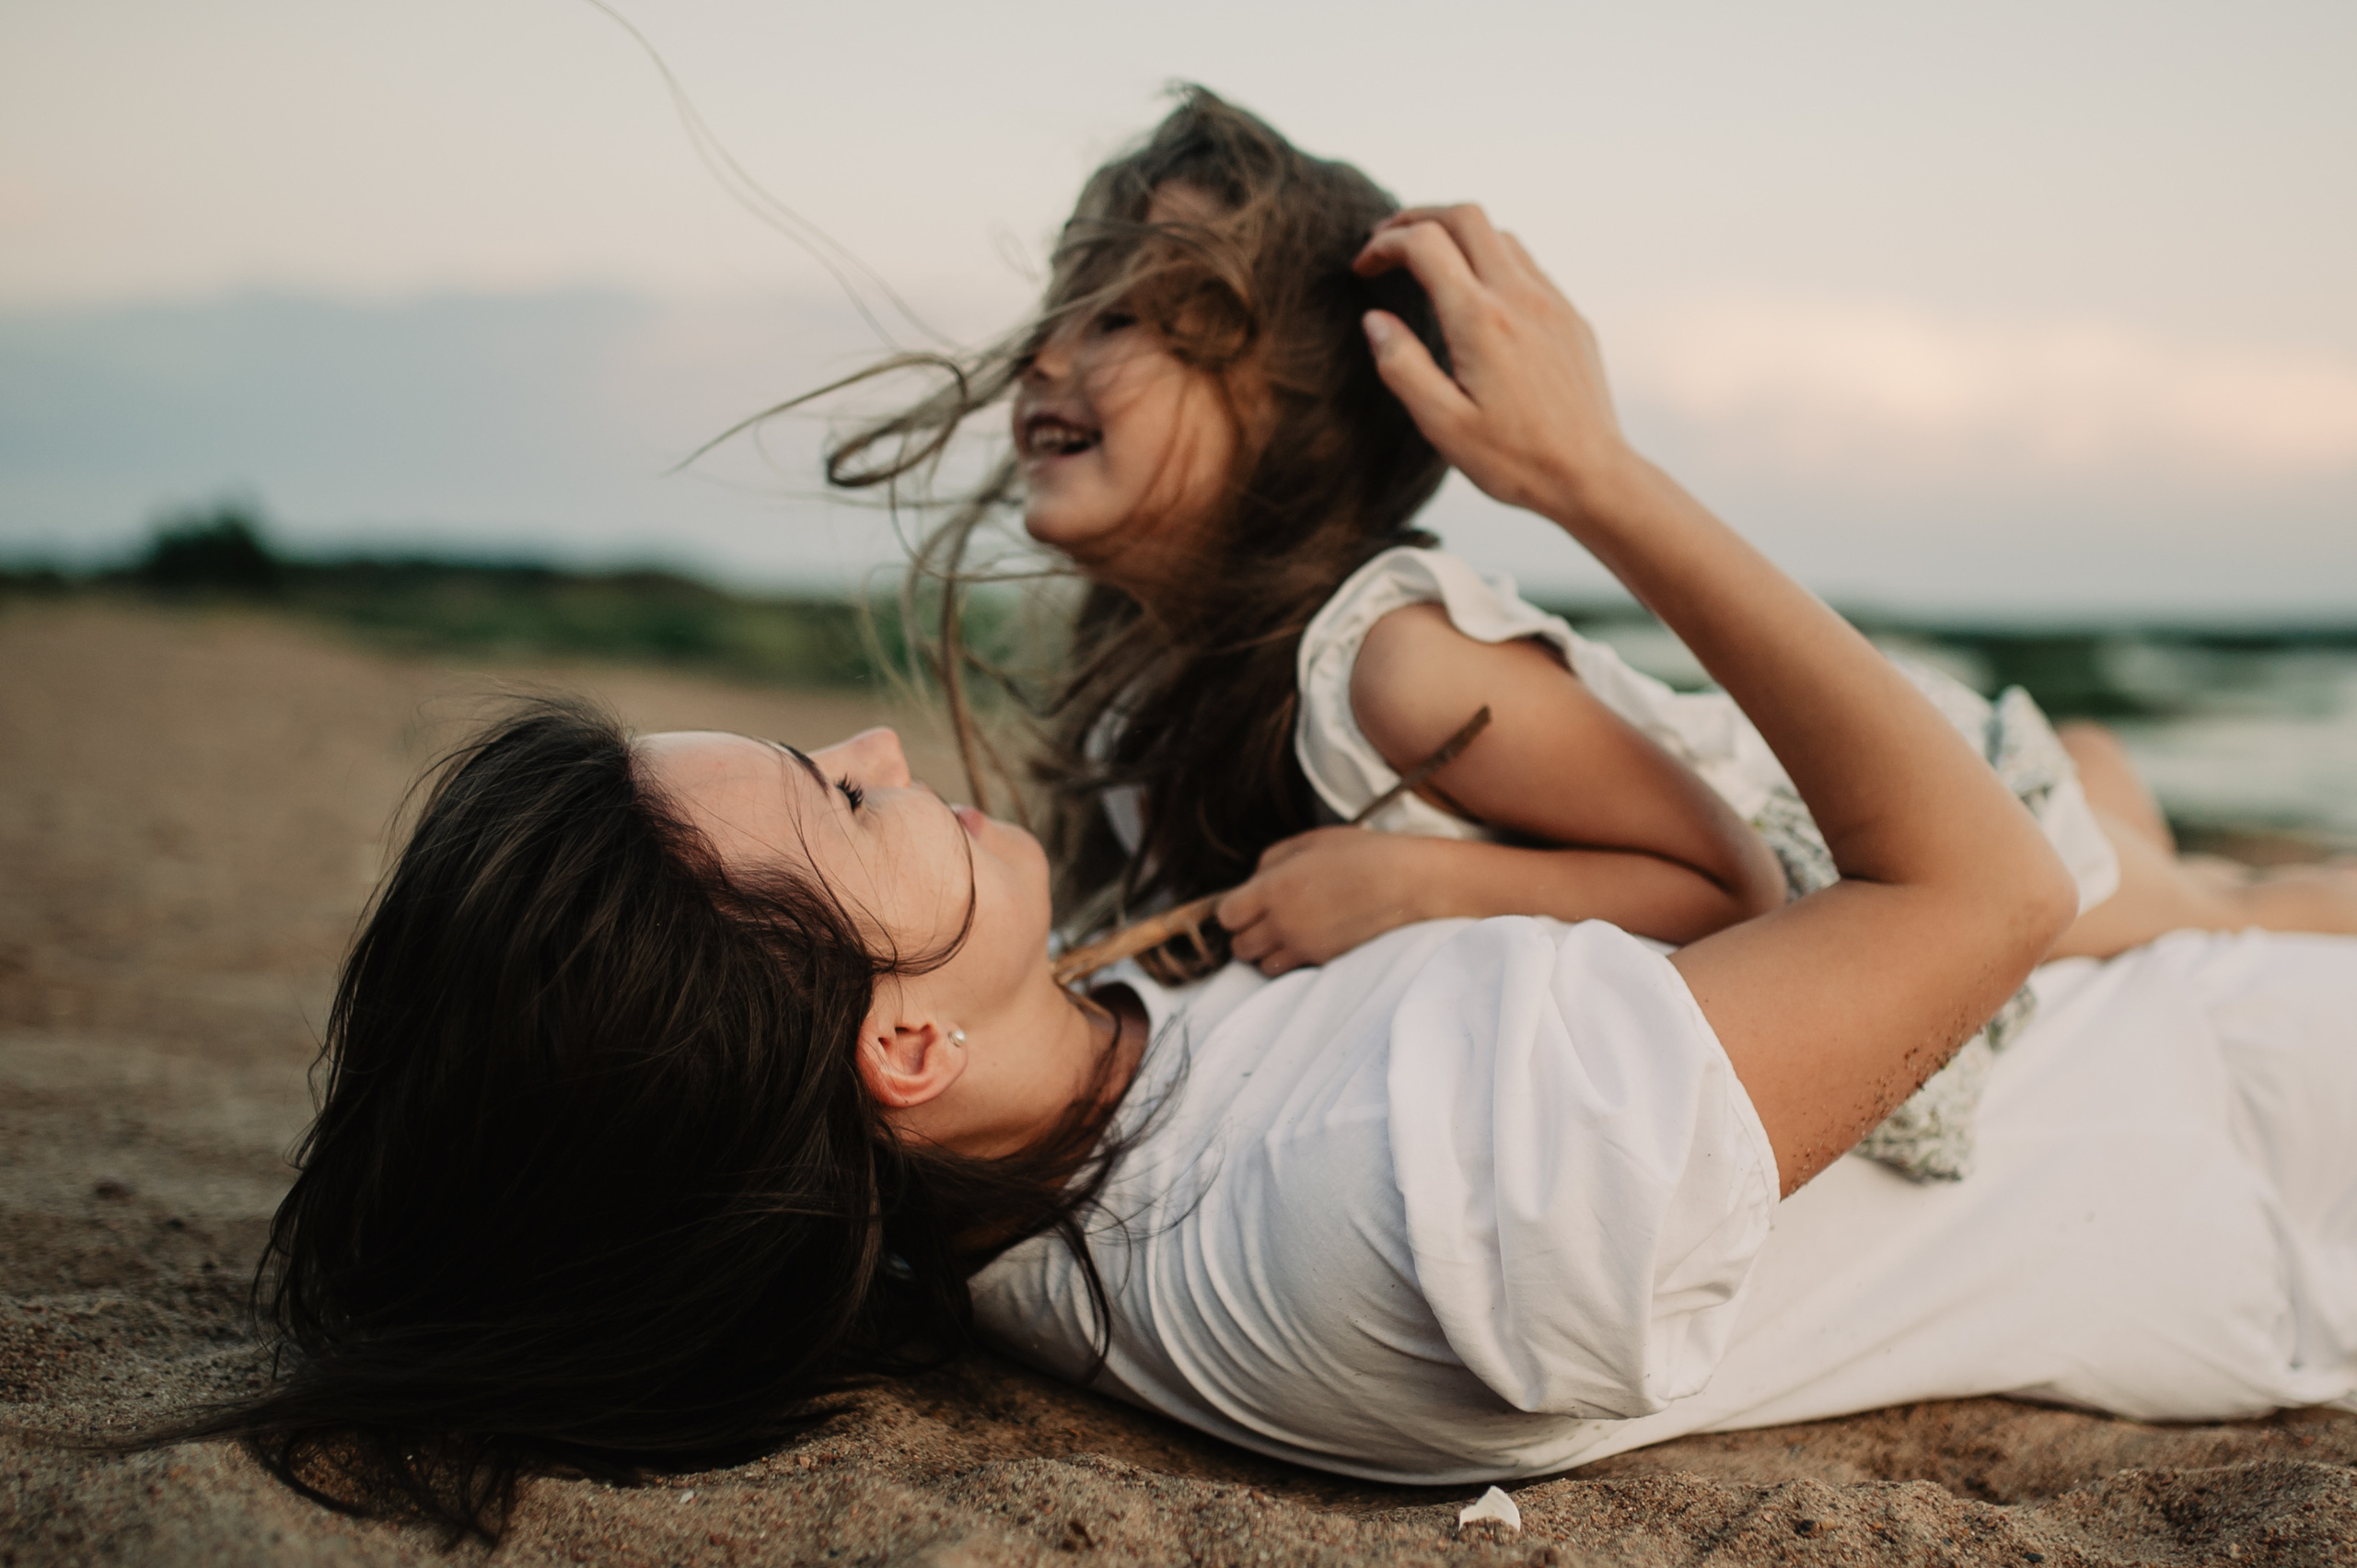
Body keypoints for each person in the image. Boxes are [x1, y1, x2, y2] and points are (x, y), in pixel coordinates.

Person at [157, 200, 2357, 1541]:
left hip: (2185, 1032)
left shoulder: (1043, 1103)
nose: (869, 745)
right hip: (2278, 1126)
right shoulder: (1415, 1223)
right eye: (837, 809)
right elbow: (1971, 898)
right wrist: (1590, 473)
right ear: (896, 1042)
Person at [822, 88, 2356, 989]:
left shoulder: (1394, 666)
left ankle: (2113, 800)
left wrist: (1420, 890)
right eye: (1063, 306)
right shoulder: (1152, 659)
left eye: (1133, 319)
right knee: (2143, 827)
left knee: (2216, 917)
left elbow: (1735, 890)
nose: (1042, 359)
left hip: (1903, 816)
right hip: (1812, 777)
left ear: (1300, 409)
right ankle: (2106, 769)